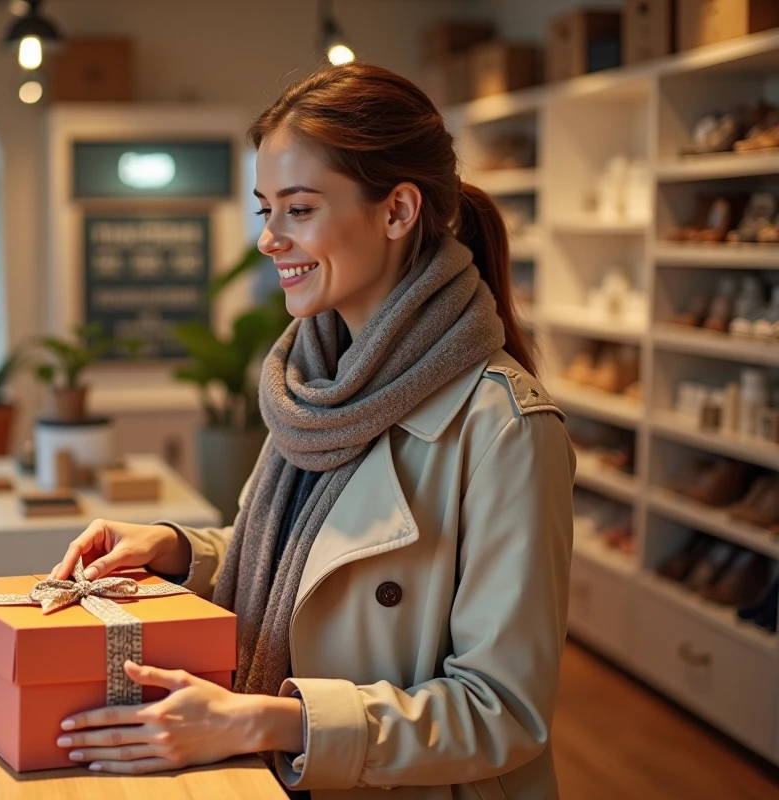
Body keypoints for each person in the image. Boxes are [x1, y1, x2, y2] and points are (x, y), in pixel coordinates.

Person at [49, 62, 575, 799]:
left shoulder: (505, 427)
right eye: (266, 210)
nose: (270, 240)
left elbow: (503, 713)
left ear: (397, 211)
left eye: (298, 209)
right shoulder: (315, 386)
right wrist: (172, 547)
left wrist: (270, 722)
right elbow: (293, 557)